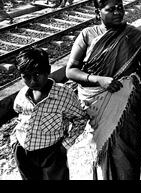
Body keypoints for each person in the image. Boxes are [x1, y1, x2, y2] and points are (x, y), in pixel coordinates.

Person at [66, 0, 141, 180]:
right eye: (111, 9)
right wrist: (97, 79)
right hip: (97, 105)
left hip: (128, 105)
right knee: (102, 150)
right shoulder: (87, 35)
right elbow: (71, 70)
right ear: (98, 12)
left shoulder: (133, 35)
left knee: (128, 151)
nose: (118, 12)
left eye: (120, 8)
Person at [11, 48, 87, 180]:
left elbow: (80, 119)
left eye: (37, 75)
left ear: (48, 70)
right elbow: (20, 116)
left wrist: (65, 145)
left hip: (51, 153)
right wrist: (15, 141)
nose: (32, 81)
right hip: (23, 152)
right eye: (26, 77)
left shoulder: (63, 94)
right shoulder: (22, 94)